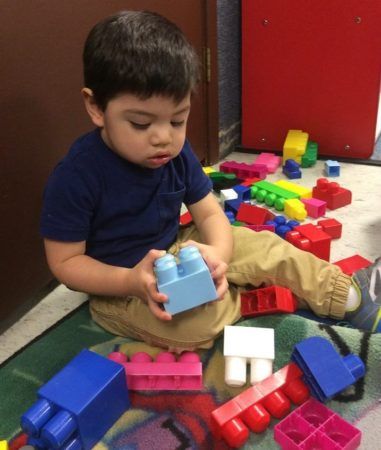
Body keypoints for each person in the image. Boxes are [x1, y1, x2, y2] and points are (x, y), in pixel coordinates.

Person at [40, 10, 381, 352]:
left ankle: (349, 296)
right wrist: (130, 281)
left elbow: (209, 214)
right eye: (141, 124)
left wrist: (218, 254)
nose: (163, 138)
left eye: (178, 120)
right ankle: (245, 299)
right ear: (96, 107)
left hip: (179, 245)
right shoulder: (76, 176)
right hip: (121, 286)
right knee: (194, 328)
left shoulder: (176, 153)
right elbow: (66, 264)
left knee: (265, 247)